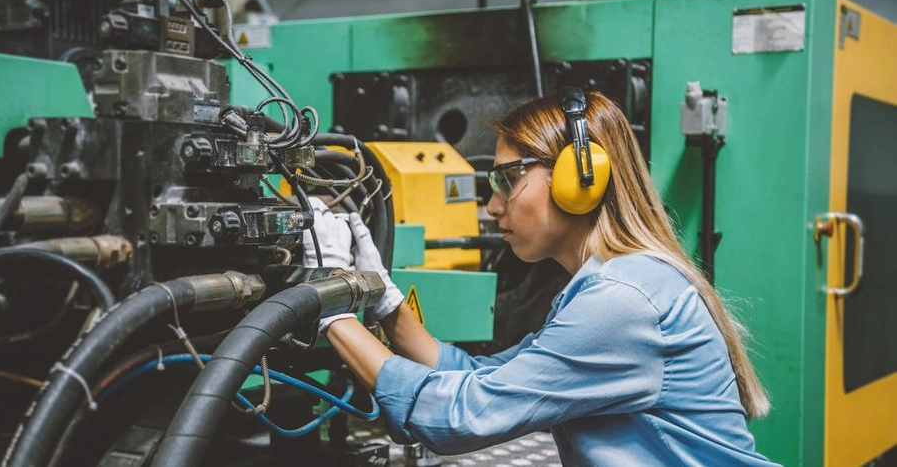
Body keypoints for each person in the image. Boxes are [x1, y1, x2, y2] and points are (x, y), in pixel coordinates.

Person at [304, 89, 780, 466]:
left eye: (507, 179)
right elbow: (480, 378)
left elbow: (458, 417)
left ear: (580, 179)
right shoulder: (612, 284)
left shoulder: (623, 301)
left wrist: (330, 298)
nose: (493, 206)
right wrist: (386, 302)